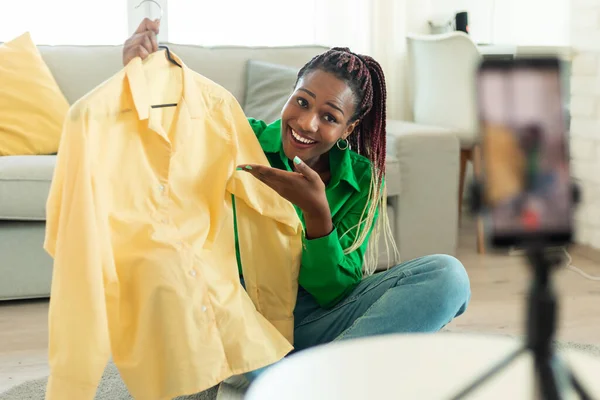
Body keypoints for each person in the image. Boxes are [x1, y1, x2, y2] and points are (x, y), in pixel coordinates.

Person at [122, 18, 471, 391]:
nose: (306, 123)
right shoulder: (242, 139)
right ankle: (309, 381)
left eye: (329, 117)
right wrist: (136, 77)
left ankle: (305, 383)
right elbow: (165, 139)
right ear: (291, 94)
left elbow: (336, 292)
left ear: (348, 129)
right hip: (242, 322)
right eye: (302, 102)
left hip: (318, 323)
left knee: (448, 276)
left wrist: (317, 215)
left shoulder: (362, 178)